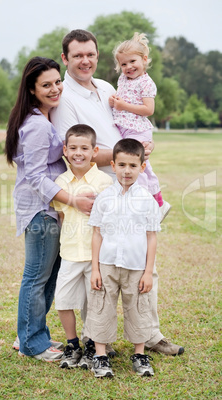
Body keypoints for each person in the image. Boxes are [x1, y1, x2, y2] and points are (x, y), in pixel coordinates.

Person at [51, 29, 185, 356]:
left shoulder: (109, 87)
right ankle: (101, 342)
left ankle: (151, 335)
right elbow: (76, 150)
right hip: (100, 189)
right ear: (66, 59)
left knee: (142, 262)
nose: (86, 61)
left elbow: (131, 126)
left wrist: (142, 147)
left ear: (99, 57)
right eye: (78, 55)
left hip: (131, 183)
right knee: (102, 266)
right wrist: (126, 154)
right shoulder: (64, 98)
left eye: (91, 54)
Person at [5, 57, 94, 362]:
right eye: (46, 85)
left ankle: (34, 335)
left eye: (58, 82)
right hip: (41, 210)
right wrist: (73, 200)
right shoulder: (37, 126)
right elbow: (35, 176)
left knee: (48, 275)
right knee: (37, 277)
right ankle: (32, 343)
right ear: (32, 89)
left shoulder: (42, 119)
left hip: (49, 209)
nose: (56, 88)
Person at [85, 138, 161, 377]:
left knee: (139, 308)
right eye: (122, 165)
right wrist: (95, 269)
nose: (127, 171)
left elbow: (151, 237)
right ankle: (100, 356)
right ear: (112, 164)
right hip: (107, 265)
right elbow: (97, 234)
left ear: (142, 167)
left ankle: (139, 354)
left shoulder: (147, 201)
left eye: (133, 165)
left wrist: (148, 272)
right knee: (101, 308)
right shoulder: (104, 198)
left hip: (136, 266)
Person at [52, 124, 113, 369]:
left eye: (84, 148)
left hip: (95, 256)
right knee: (63, 301)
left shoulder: (104, 181)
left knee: (94, 303)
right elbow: (62, 217)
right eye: (73, 148)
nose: (79, 153)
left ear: (94, 151)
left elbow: (108, 221)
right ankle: (72, 344)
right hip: (69, 253)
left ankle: (91, 345)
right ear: (65, 150)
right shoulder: (61, 182)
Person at [109, 32, 171, 221]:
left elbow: (148, 109)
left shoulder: (146, 83)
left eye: (132, 61)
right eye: (123, 64)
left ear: (144, 60)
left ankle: (157, 203)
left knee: (140, 167)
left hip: (138, 129)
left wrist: (122, 106)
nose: (128, 67)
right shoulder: (123, 80)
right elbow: (122, 99)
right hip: (125, 129)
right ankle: (142, 202)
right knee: (133, 165)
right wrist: (114, 101)